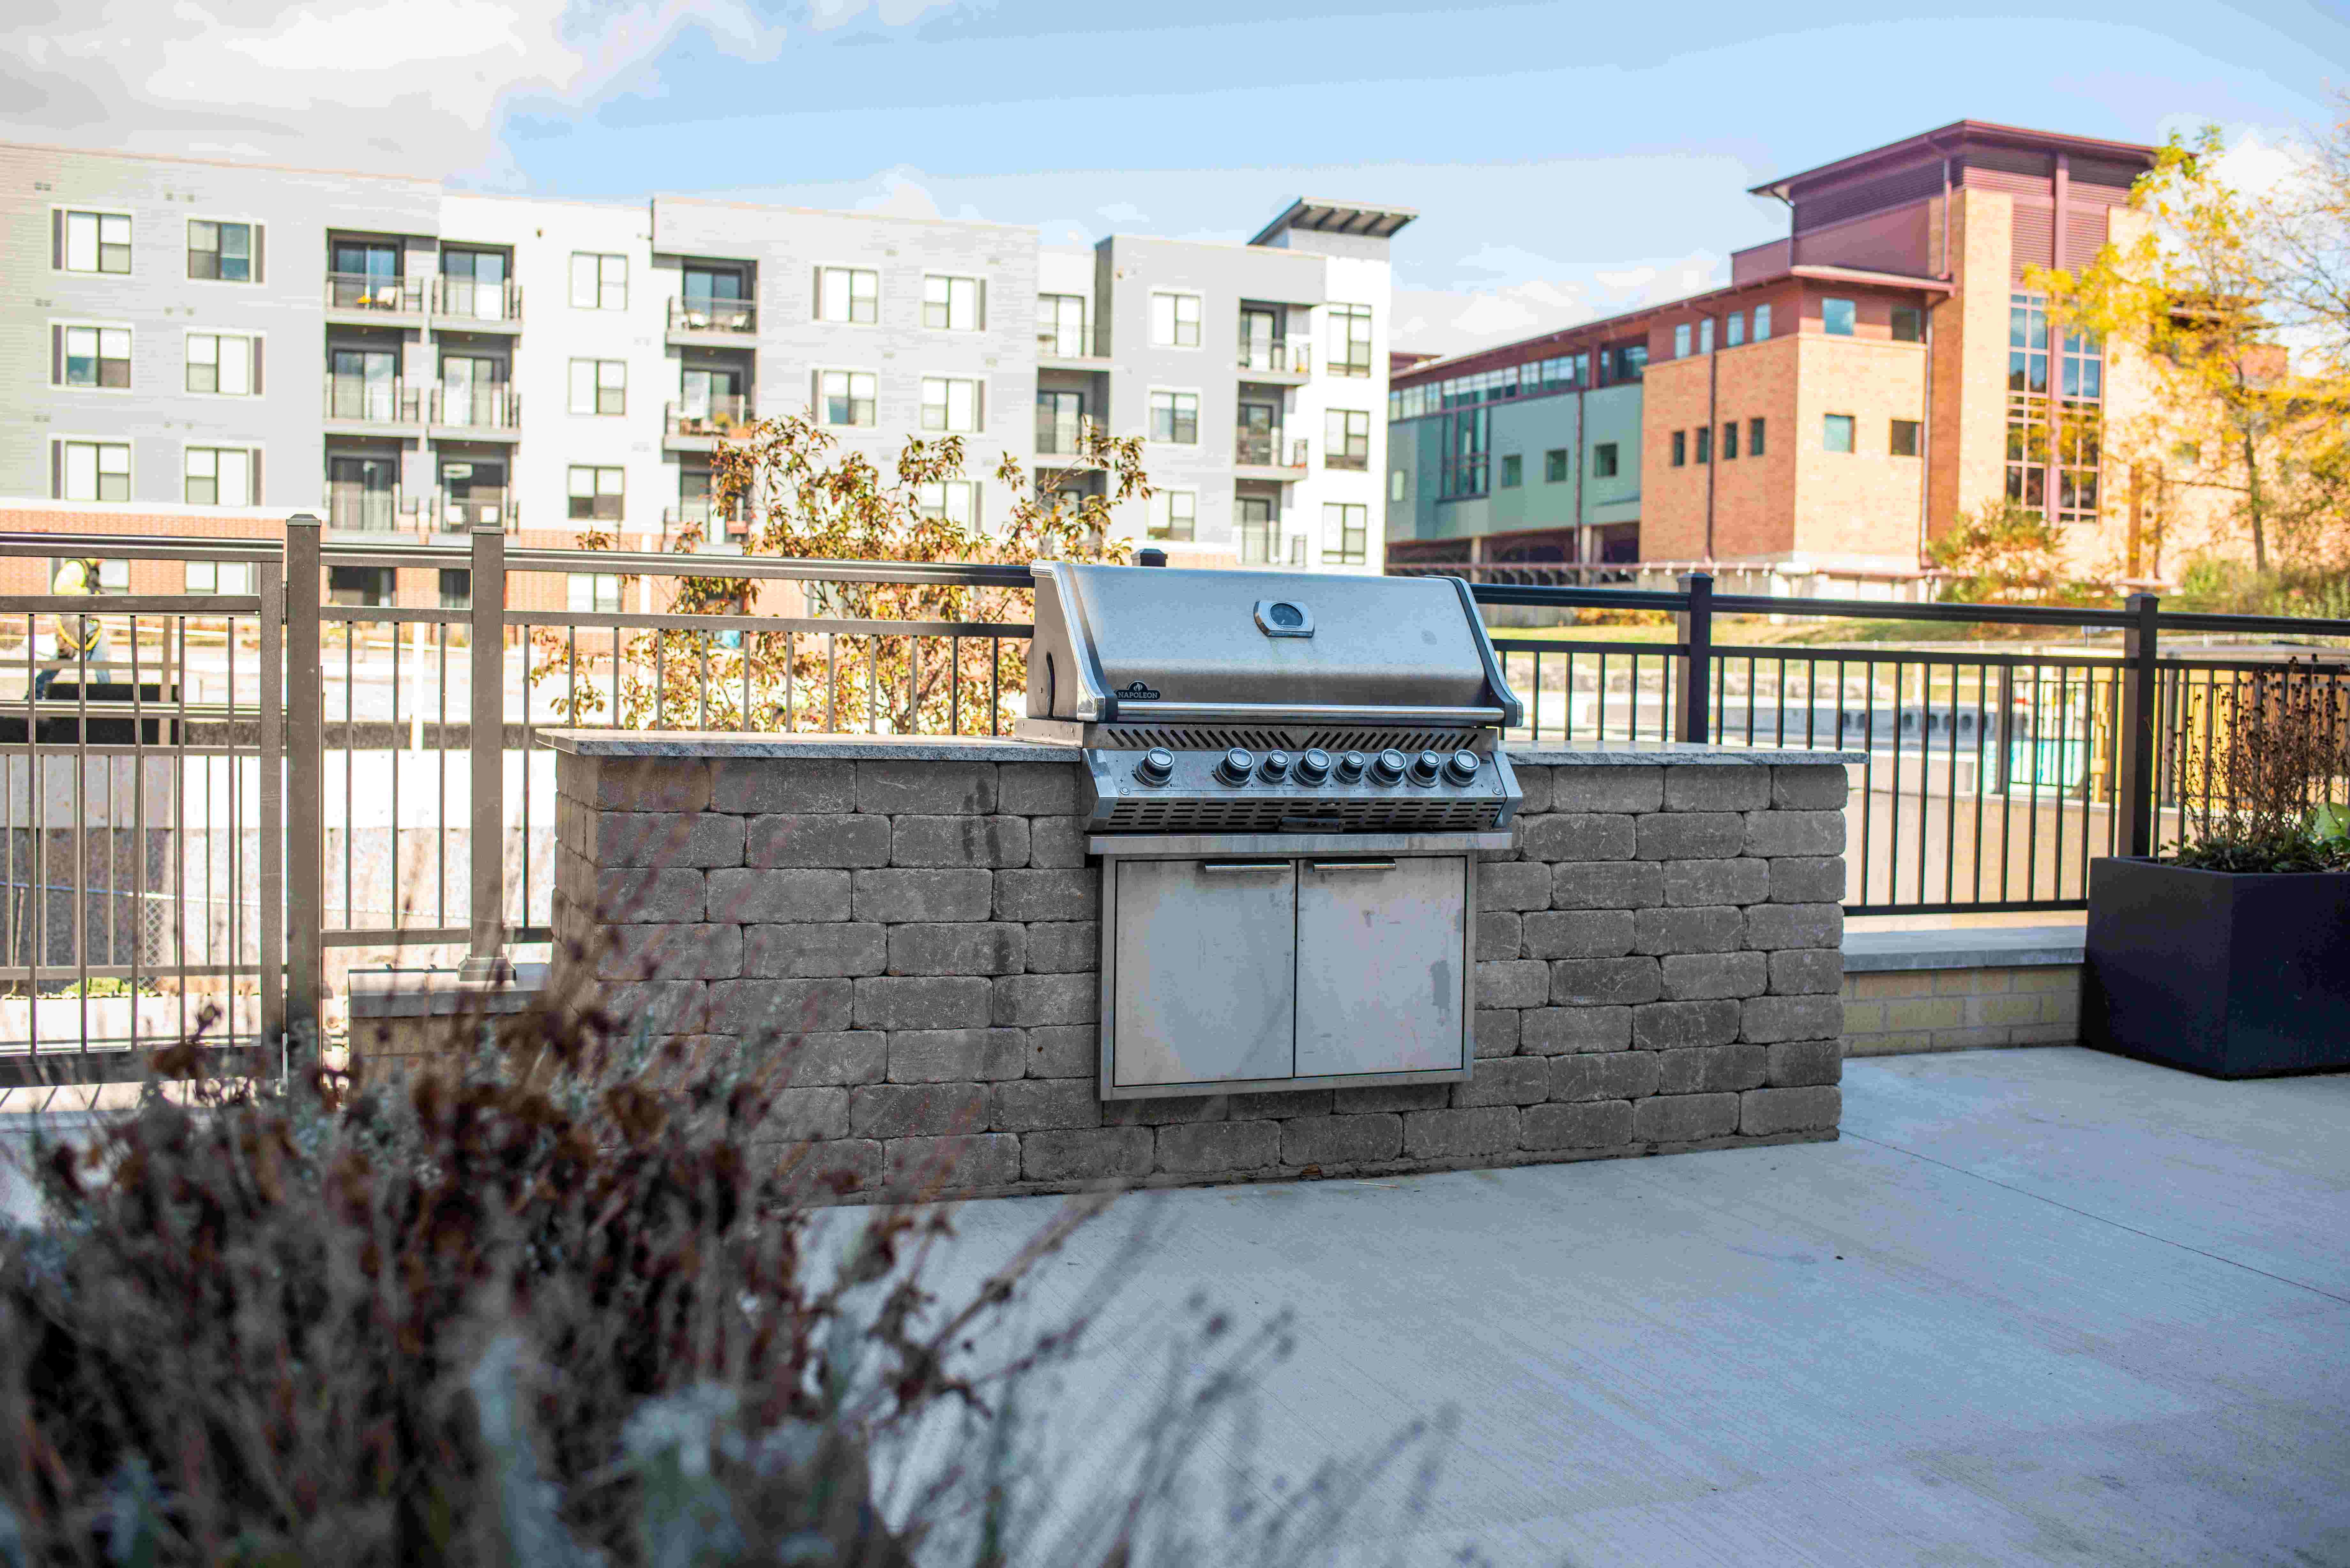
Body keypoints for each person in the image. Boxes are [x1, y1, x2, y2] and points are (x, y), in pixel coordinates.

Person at [37, 559, 107, 700]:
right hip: (74, 624)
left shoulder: (91, 570)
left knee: (101, 659)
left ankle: (107, 697)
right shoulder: (77, 567)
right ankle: (36, 692)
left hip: (88, 624)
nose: (104, 561)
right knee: (65, 658)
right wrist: (89, 592)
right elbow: (61, 589)